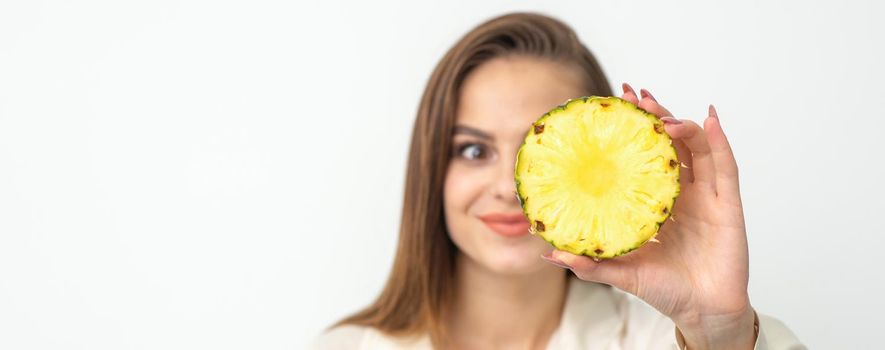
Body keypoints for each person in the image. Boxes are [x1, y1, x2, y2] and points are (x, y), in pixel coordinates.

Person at [312, 12, 805, 350]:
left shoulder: (671, 340)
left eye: (539, 153)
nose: (508, 187)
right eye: (473, 150)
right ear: (431, 170)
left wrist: (719, 330)